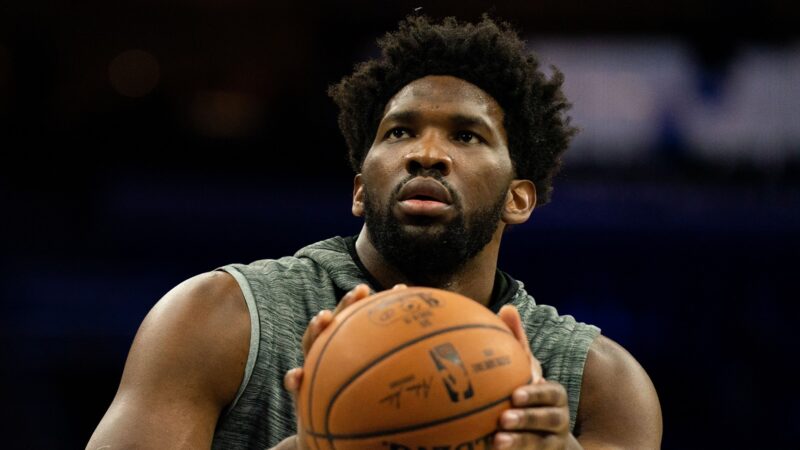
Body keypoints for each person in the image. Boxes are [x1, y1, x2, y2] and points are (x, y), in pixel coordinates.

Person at [88, 15, 662, 450]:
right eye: (399, 132)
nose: (426, 154)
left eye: (466, 136)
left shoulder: (602, 384)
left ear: (518, 199)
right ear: (361, 189)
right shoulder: (217, 317)